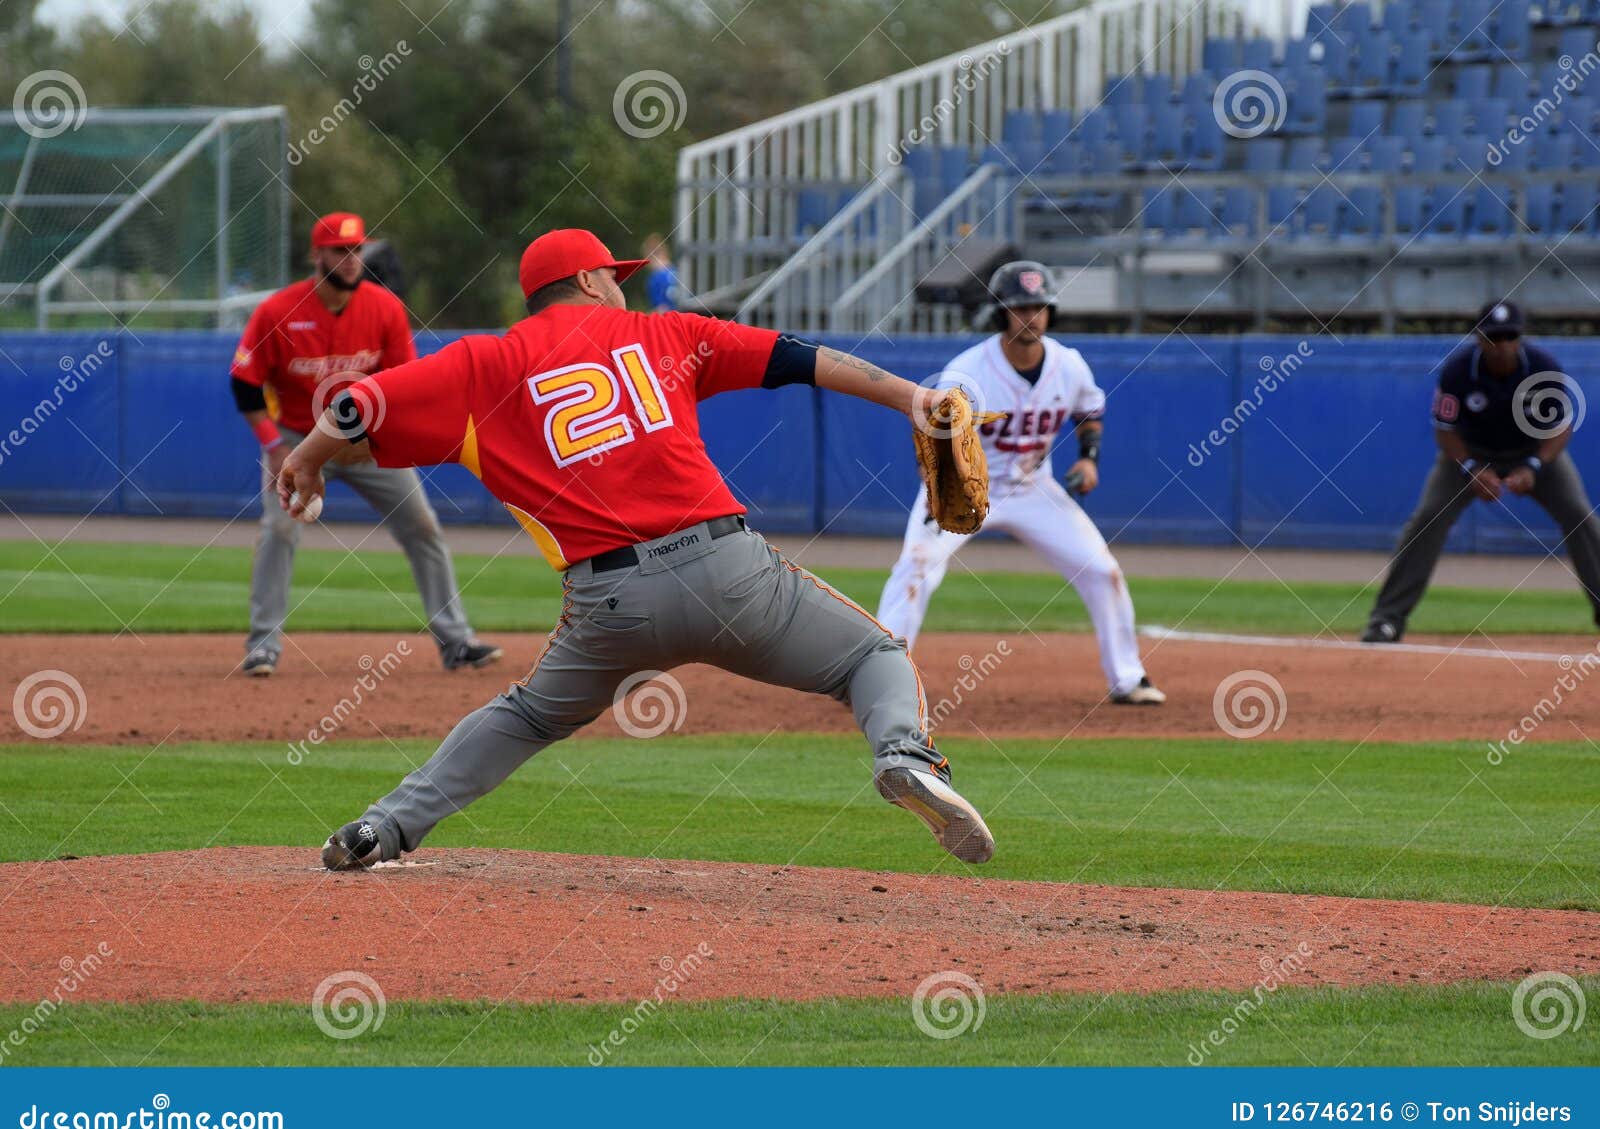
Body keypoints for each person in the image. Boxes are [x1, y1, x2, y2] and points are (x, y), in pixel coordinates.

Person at [281, 229, 994, 869]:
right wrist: (912, 398)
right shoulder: (666, 333)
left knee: (528, 716)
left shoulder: (484, 362)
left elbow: (354, 406)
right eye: (613, 275)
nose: (620, 285)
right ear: (591, 280)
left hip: (609, 606)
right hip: (731, 572)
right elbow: (796, 359)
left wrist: (308, 460)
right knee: (872, 656)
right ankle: (903, 754)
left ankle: (383, 827)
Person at [876, 261, 1165, 705]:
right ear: (1000, 313)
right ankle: (882, 681)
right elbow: (931, 436)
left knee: (1103, 571)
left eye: (1039, 306)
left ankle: (1128, 678)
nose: (1031, 316)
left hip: (1034, 489)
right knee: (915, 568)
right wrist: (936, 488)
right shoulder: (969, 371)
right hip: (962, 489)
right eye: (1020, 307)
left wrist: (1089, 459)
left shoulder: (1068, 365)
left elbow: (1088, 410)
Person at [231, 211, 501, 676]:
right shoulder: (278, 312)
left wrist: (388, 442)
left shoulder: (384, 308)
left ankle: (457, 642)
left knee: (423, 527)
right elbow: (245, 383)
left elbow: (402, 382)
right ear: (317, 255)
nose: (352, 260)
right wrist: (274, 446)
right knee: (279, 530)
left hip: (367, 442)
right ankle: (263, 646)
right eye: (341, 250)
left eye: (357, 250)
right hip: (299, 439)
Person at [1363, 300, 1600, 642]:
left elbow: (1560, 428)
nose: (1501, 346)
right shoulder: (1458, 372)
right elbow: (1445, 429)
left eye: (1509, 337)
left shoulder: (1542, 368)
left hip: (1533, 454)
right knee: (1428, 517)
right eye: (1493, 337)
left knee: (1579, 515)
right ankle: (1386, 620)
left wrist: (1533, 467)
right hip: (1471, 454)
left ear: (1519, 338)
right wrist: (1472, 469)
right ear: (1478, 338)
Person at [642, 233, 682, 311]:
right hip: (686, 318)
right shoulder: (680, 272)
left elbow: (661, 309)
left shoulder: (655, 278)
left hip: (669, 320)